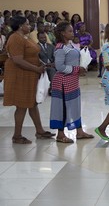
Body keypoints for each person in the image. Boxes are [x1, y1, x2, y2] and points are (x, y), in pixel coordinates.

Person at [3, 16, 55, 144]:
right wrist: (36, 69)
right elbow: (18, 60)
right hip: (19, 74)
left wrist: (44, 64)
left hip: (28, 74)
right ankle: (17, 136)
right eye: (27, 24)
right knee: (22, 105)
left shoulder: (25, 37)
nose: (30, 26)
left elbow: (32, 54)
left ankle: (40, 131)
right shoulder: (15, 38)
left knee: (32, 103)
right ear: (21, 26)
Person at [50, 21, 94, 143]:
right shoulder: (60, 48)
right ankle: (60, 134)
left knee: (75, 105)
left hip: (72, 80)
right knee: (63, 107)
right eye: (69, 31)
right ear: (63, 33)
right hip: (63, 82)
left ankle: (79, 132)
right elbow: (59, 66)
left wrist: (80, 69)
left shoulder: (70, 45)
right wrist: (76, 69)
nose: (72, 32)